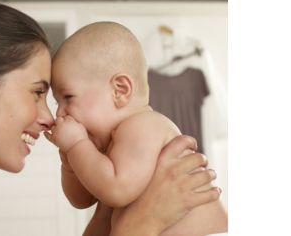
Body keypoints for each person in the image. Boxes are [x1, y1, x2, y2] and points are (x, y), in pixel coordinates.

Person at [0, 1, 221, 236]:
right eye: (37, 92)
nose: (50, 117)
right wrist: (145, 221)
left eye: (59, 98)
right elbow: (89, 198)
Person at [45, 21, 227, 236]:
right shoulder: (108, 149)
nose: (60, 114)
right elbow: (80, 200)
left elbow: (116, 190)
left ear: (120, 90)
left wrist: (77, 145)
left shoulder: (144, 127)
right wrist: (70, 162)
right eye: (58, 102)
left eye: (68, 98)